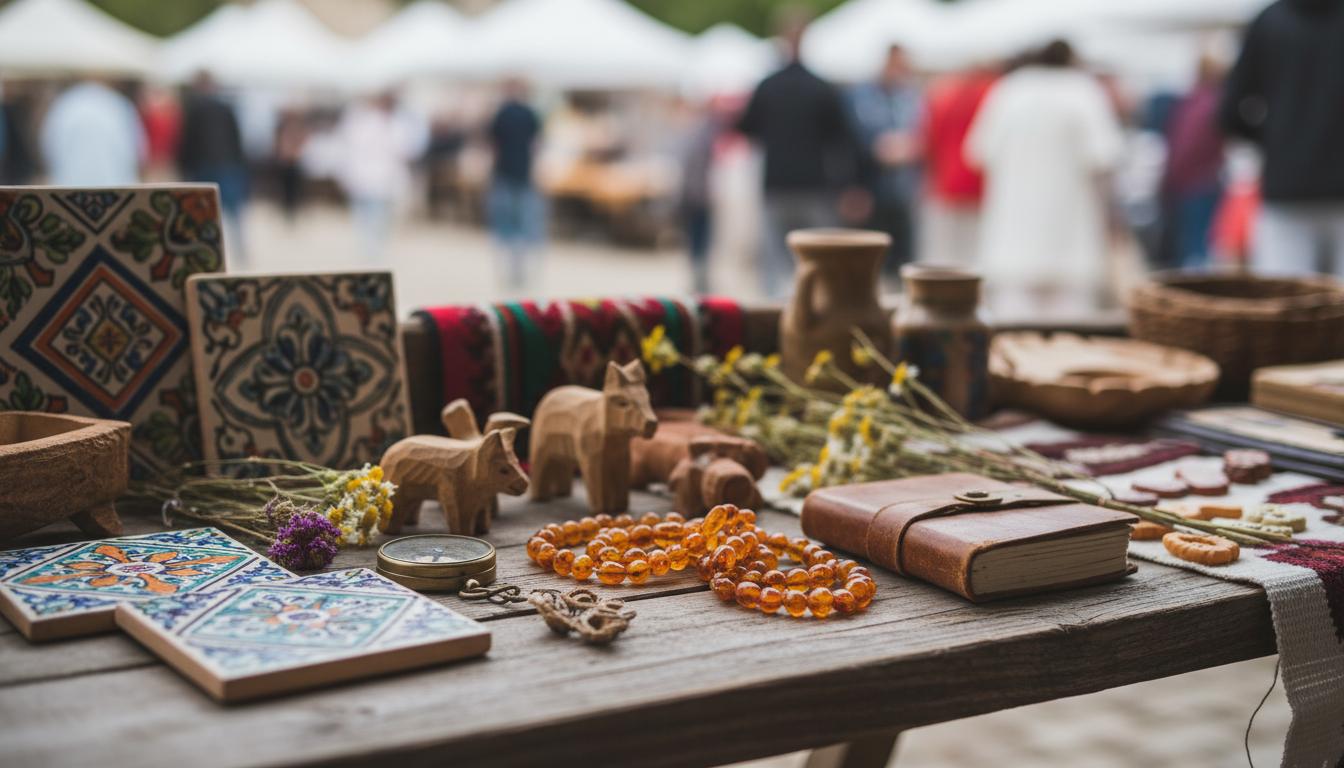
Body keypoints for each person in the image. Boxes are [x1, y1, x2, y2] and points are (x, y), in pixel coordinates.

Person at [965, 40, 1124, 313]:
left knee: (1013, 328)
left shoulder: (1009, 91)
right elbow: (1106, 156)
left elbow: (977, 153)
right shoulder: (1082, 91)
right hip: (1069, 241)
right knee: (1071, 334)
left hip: (1014, 240)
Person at [738, 9, 864, 298]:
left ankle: (776, 316)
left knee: (775, 262)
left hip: (778, 182)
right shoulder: (821, 87)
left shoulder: (767, 86)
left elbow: (746, 127)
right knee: (819, 259)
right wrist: (851, 184)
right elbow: (844, 138)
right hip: (813, 184)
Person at [1221, 0, 1344, 278]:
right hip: (1302, 189)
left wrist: (1277, 140)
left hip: (1286, 189)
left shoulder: (1268, 22)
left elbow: (1229, 112)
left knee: (1286, 307)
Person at [848, 44, 923, 276]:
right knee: (873, 258)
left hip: (904, 191)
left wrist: (910, 148)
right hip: (873, 189)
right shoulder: (862, 97)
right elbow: (854, 140)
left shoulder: (910, 96)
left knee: (903, 258)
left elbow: (921, 136)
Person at [334, 92, 427, 261]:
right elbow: (348, 149)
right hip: (365, 176)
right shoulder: (361, 121)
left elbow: (408, 149)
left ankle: (372, 249)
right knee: (366, 215)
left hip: (383, 178)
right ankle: (369, 249)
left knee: (378, 216)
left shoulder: (397, 122)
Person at [921, 64, 996, 267]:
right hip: (980, 184)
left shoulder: (941, 95)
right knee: (978, 251)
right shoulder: (992, 93)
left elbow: (929, 141)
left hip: (947, 182)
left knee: (948, 253)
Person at [1159, 55, 1226, 270]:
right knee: (1197, 251)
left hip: (1190, 183)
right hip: (1198, 183)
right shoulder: (1210, 103)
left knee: (1193, 250)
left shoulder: (1193, 103)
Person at [177, 72, 248, 260]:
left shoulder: (194, 108)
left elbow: (187, 141)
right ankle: (239, 250)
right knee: (232, 210)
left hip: (205, 165)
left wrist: (184, 168)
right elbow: (237, 139)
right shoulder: (225, 107)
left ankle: (207, 252)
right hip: (226, 163)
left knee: (204, 212)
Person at [486, 78, 544, 292]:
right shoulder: (530, 114)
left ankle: (512, 269)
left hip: (506, 173)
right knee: (522, 225)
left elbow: (493, 145)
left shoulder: (502, 113)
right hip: (522, 174)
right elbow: (536, 144)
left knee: (507, 226)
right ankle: (517, 269)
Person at [40, 78, 144, 186]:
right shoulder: (120, 105)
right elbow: (138, 153)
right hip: (117, 190)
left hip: (69, 189)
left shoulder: (62, 105)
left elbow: (48, 149)